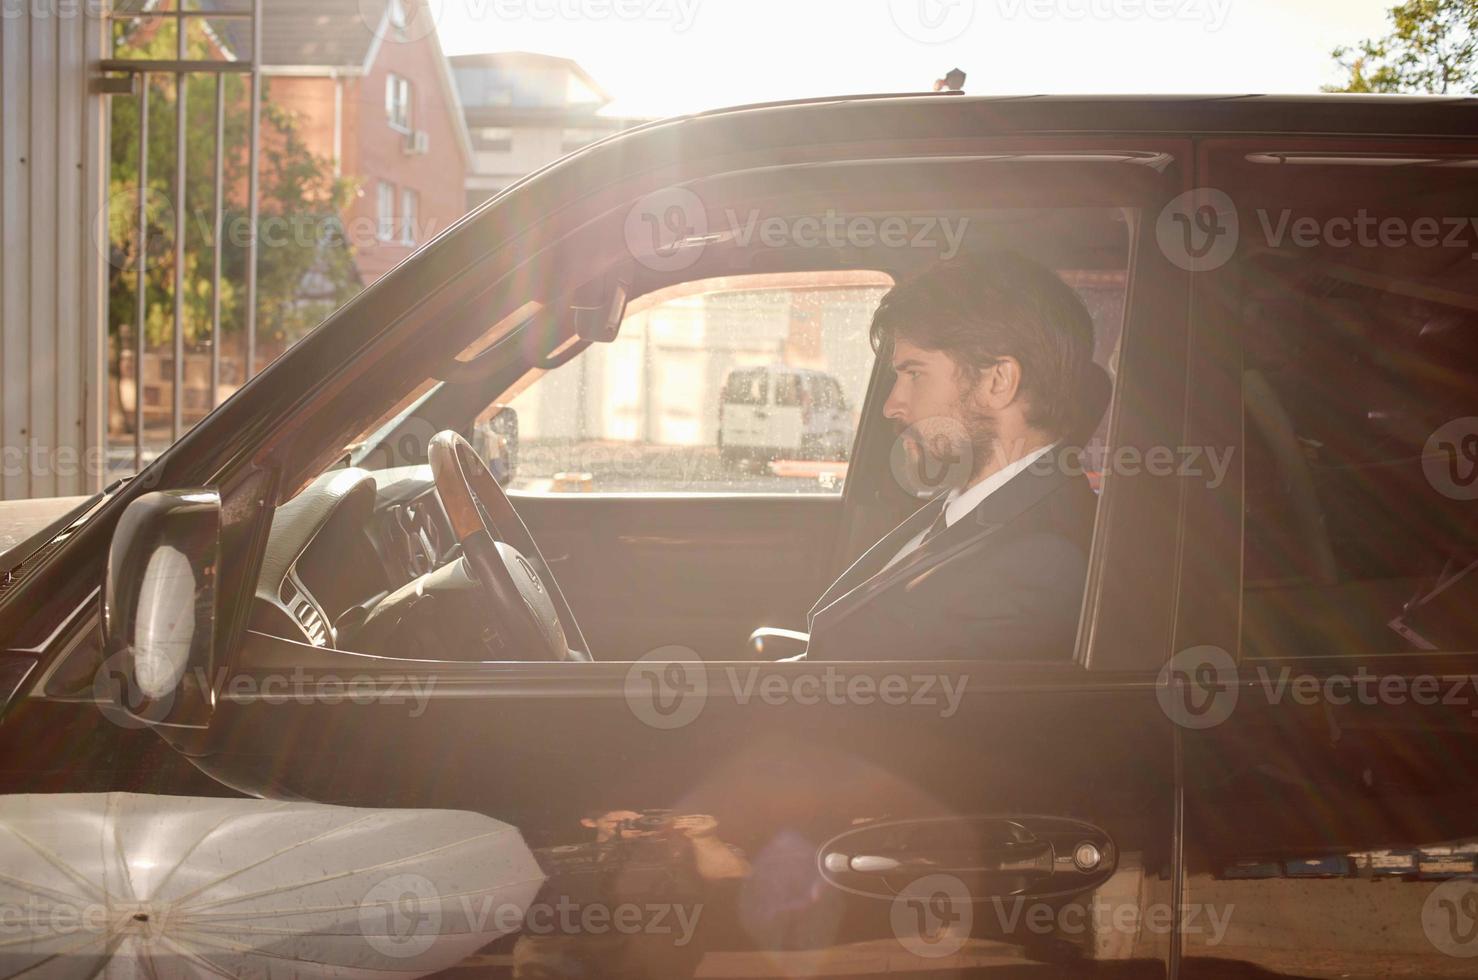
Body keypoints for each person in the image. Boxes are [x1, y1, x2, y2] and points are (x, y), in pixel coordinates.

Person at [804, 251, 1102, 661]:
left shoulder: (1039, 565)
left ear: (998, 381)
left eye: (915, 375)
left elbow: (896, 718)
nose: (892, 405)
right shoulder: (964, 508)